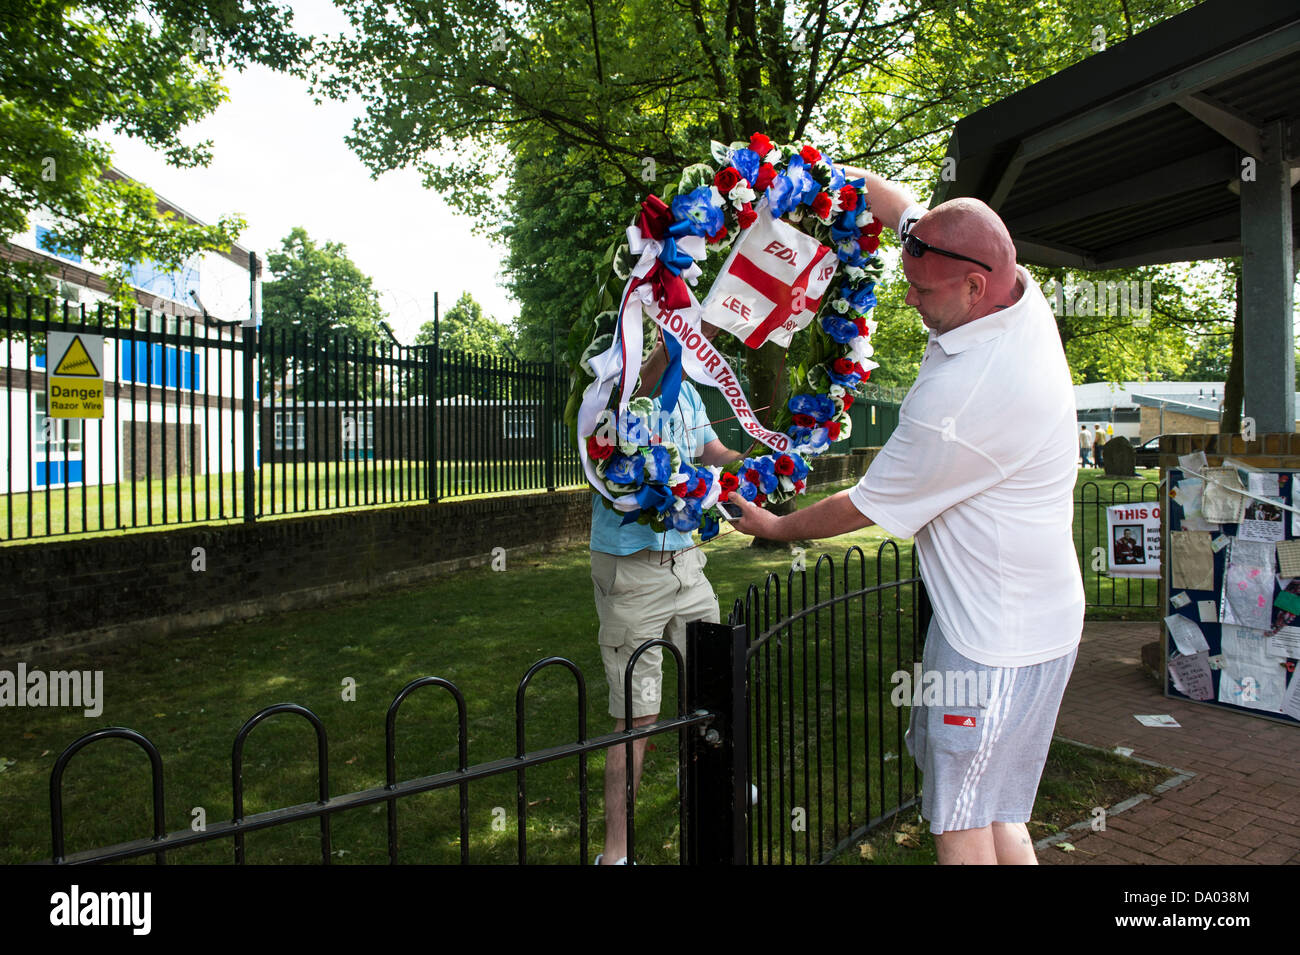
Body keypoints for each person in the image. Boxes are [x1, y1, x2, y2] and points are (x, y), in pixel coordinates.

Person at [728, 168, 1083, 865]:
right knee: (999, 809)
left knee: (959, 821)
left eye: (923, 292)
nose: (911, 300)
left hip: (994, 643)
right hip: (1033, 626)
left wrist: (772, 527)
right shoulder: (1017, 293)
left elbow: (859, 504)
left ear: (974, 285)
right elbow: (901, 212)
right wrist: (815, 173)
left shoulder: (962, 397)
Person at [590, 324, 744, 865]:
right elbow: (627, 403)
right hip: (632, 571)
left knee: (713, 689)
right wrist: (668, 343)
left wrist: (752, 465)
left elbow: (710, 448)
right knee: (637, 717)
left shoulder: (692, 390)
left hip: (688, 563)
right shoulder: (609, 379)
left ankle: (704, 787)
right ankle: (616, 853)